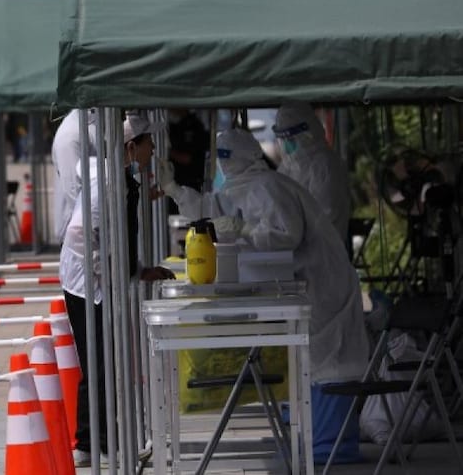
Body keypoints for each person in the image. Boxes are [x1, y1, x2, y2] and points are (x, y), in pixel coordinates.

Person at [157, 128, 369, 463]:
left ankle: (331, 447)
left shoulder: (269, 186)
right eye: (220, 156)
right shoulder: (245, 186)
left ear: (244, 154)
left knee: (328, 359)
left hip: (320, 284)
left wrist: (243, 230)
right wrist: (174, 190)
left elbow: (287, 234)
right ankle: (317, 444)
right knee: (311, 360)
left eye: (227, 155)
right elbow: (213, 208)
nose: (223, 164)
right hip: (301, 285)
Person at [60, 114, 175, 467]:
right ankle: (89, 443)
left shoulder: (124, 180)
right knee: (98, 361)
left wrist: (139, 270)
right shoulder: (109, 181)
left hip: (97, 279)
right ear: (130, 147)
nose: (152, 149)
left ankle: (100, 439)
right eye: (147, 143)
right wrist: (104, 273)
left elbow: (120, 236)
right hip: (86, 283)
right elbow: (81, 234)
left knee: (105, 360)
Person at [273, 101, 351, 244]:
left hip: (323, 253)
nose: (286, 144)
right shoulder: (288, 167)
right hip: (297, 252)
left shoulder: (324, 165)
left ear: (307, 133)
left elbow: (325, 215)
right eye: (282, 138)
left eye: (290, 138)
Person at [51, 108, 98, 242]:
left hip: (90, 231)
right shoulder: (71, 134)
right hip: (79, 236)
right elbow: (74, 190)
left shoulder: (91, 124)